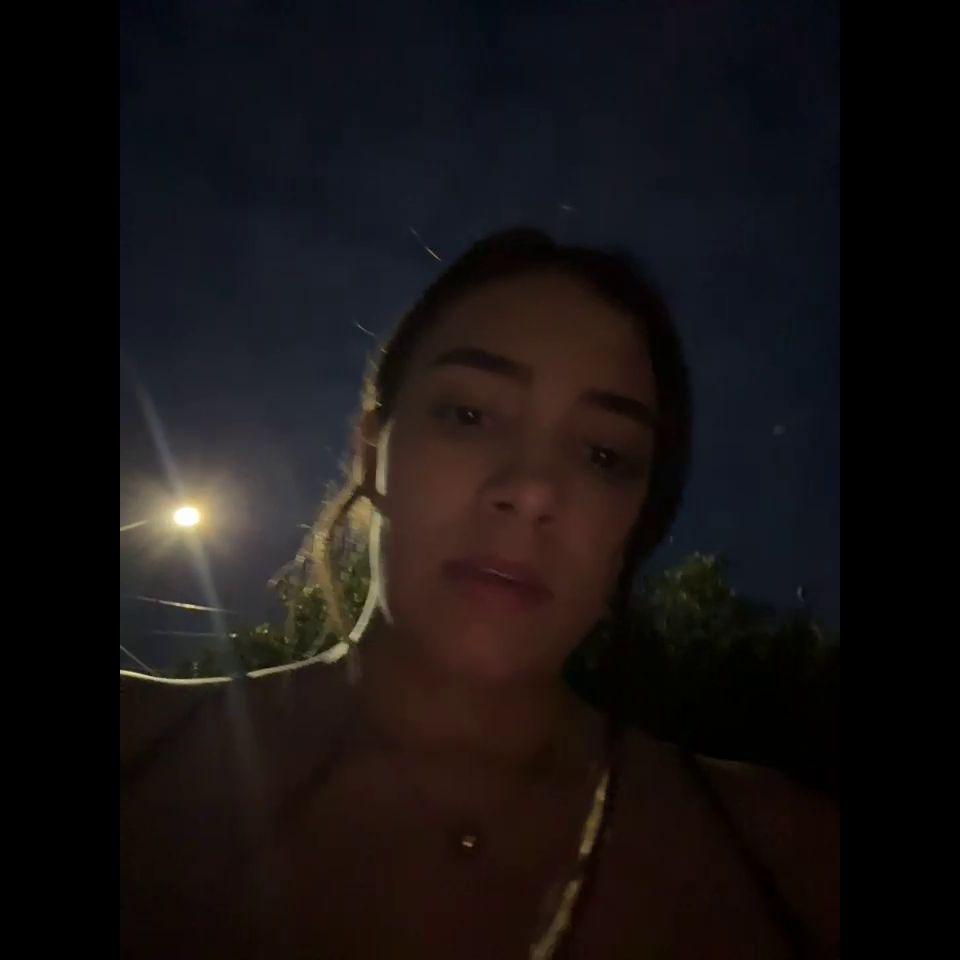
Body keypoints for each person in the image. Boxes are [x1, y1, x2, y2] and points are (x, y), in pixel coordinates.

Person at [121, 228, 839, 959]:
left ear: (635, 522)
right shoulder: (140, 743)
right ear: (373, 455)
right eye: (468, 415)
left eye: (603, 454)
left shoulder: (793, 856)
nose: (532, 490)